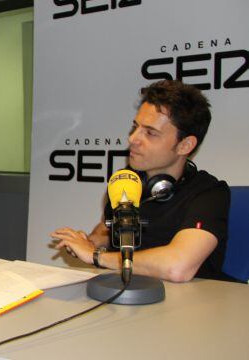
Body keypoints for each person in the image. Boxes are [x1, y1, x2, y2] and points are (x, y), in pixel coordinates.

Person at [52, 80, 235, 282]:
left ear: (185, 145)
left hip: (189, 305)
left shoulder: (209, 194)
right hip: (127, 295)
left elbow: (177, 267)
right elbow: (106, 230)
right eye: (135, 127)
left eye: (150, 133)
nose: (132, 139)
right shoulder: (127, 181)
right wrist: (90, 241)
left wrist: (97, 256)